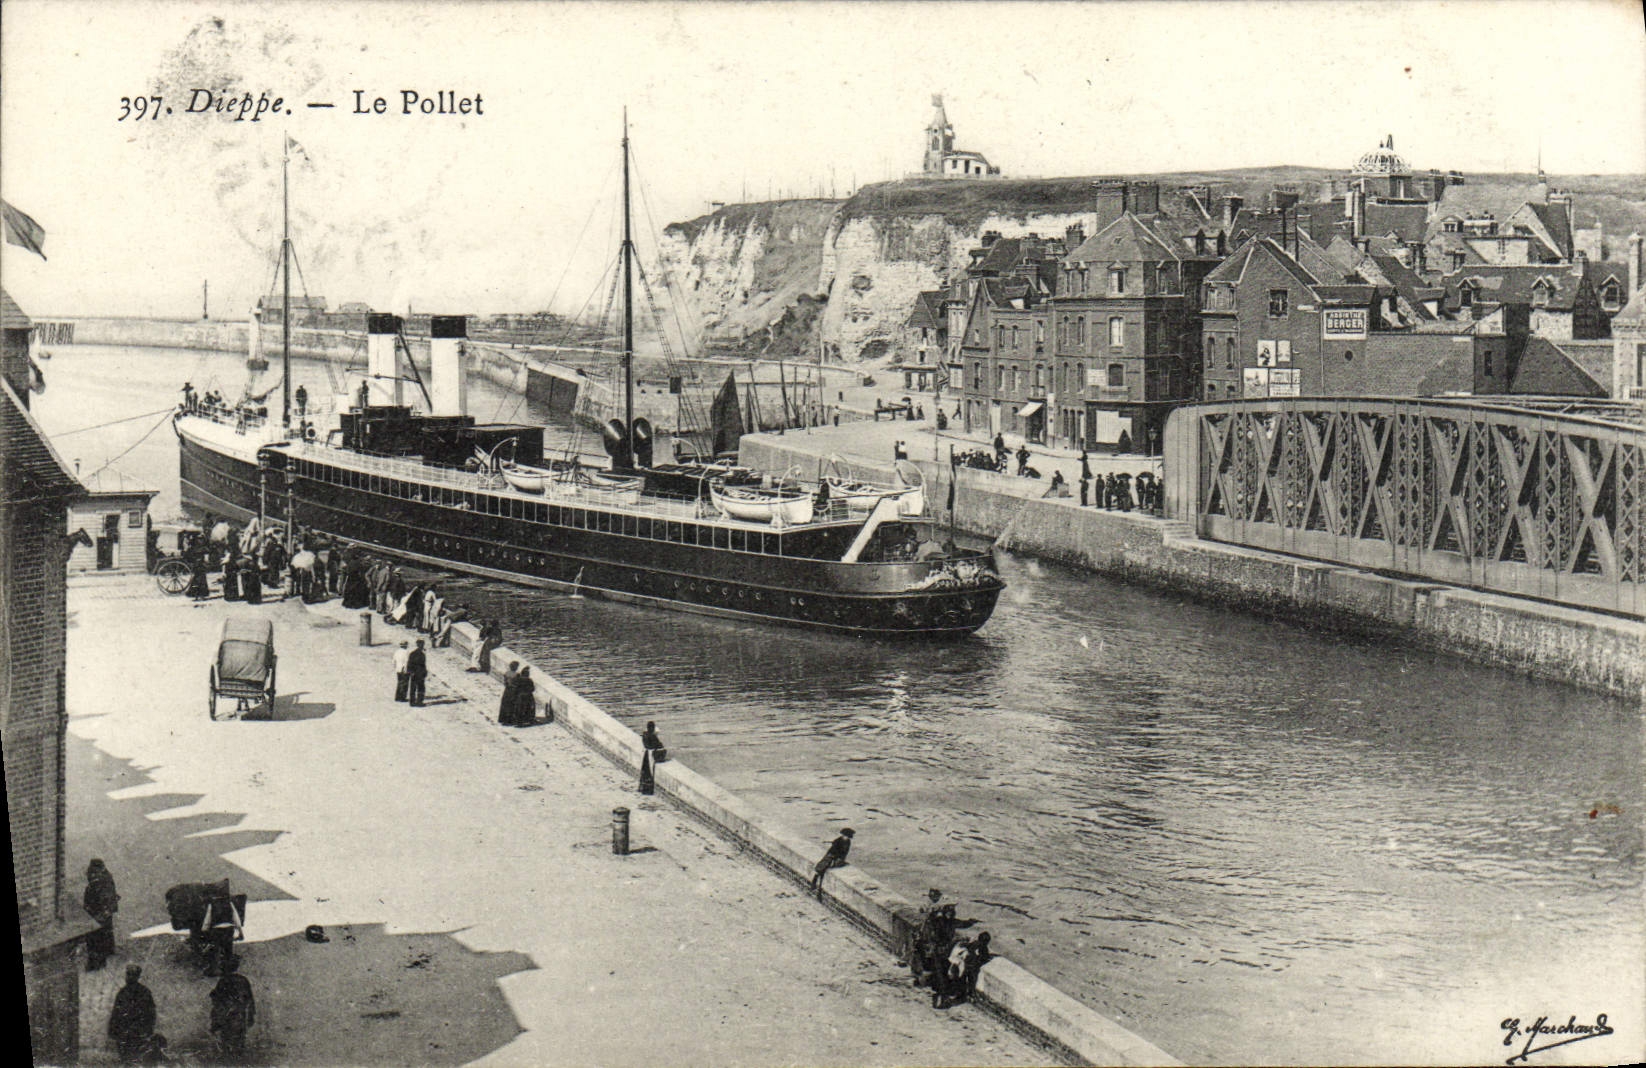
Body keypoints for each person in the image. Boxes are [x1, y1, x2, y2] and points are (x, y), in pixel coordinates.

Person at [108, 964, 156, 1064]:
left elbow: (151, 1014)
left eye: (133, 975)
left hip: (138, 1033)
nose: (129, 977)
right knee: (125, 1060)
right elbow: (116, 1012)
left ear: (138, 976)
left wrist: (147, 1031)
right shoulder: (122, 992)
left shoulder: (145, 992)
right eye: (128, 974)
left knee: (137, 1060)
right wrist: (112, 1029)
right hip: (123, 1033)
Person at [208, 957, 255, 1058]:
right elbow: (250, 998)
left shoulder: (223, 981)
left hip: (228, 1014)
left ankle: (229, 1057)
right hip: (240, 1014)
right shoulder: (243, 980)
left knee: (227, 1036)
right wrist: (251, 1014)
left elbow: (217, 998)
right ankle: (237, 1056)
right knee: (239, 1036)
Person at [83, 859, 119, 971]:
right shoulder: (107, 878)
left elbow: (103, 897)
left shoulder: (100, 883)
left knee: (96, 939)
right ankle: (105, 955)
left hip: (98, 913)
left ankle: (96, 963)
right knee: (104, 935)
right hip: (102, 913)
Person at [808, 827, 854, 899]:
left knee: (832, 865)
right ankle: (814, 881)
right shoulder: (838, 841)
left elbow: (845, 853)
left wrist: (840, 859)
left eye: (847, 836)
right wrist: (834, 859)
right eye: (845, 836)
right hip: (832, 856)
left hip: (838, 858)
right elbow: (833, 852)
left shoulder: (847, 842)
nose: (846, 838)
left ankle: (815, 883)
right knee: (822, 867)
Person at [638, 721, 665, 795]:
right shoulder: (652, 736)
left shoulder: (645, 734)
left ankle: (643, 788)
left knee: (645, 771)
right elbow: (658, 745)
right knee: (650, 772)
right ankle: (648, 790)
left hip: (646, 754)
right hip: (651, 755)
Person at [406, 639, 427, 707]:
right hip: (419, 673)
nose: (422, 646)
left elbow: (409, 664)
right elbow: (423, 665)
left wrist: (410, 672)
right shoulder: (422, 654)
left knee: (413, 688)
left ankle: (412, 702)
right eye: (421, 644)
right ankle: (419, 702)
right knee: (420, 688)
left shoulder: (412, 653)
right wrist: (424, 672)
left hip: (414, 673)